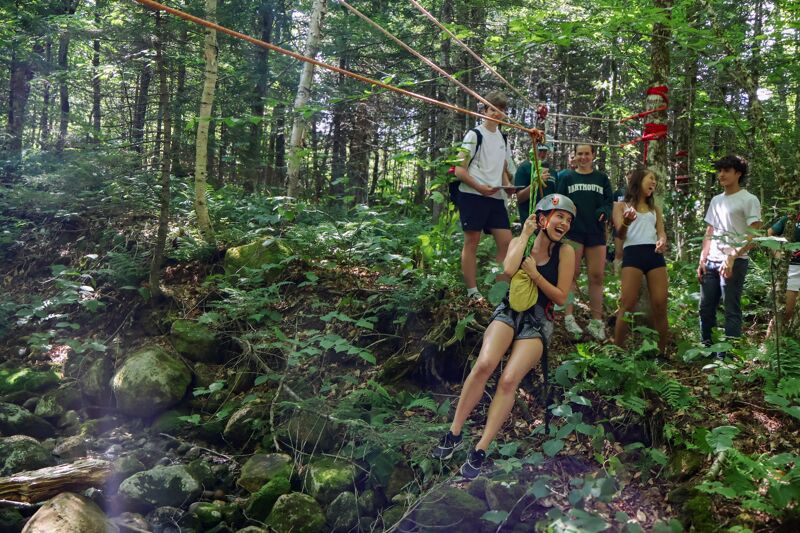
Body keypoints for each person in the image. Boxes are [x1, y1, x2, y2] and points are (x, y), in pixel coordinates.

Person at [431, 194, 576, 479]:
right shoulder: (521, 241)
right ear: (543, 218)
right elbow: (508, 270)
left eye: (569, 220)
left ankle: (480, 450)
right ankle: (454, 433)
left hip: (539, 321)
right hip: (510, 309)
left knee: (509, 380)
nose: (565, 223)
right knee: (484, 364)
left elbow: (560, 297)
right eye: (560, 216)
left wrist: (535, 275)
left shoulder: (566, 252)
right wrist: (525, 234)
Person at [453, 91, 515, 302]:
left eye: (501, 110)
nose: (497, 114)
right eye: (493, 109)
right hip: (473, 195)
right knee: (472, 241)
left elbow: (502, 169)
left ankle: (499, 292)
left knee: (506, 242)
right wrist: (480, 187)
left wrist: (508, 186)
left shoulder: (503, 139)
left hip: (495, 196)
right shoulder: (474, 135)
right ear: (484, 111)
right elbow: (459, 170)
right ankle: (473, 291)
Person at [698, 155, 762, 351]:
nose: (721, 175)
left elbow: (754, 233)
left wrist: (732, 256)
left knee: (731, 310)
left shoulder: (749, 199)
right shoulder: (716, 200)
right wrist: (702, 258)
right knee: (705, 308)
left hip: (735, 261)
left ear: (738, 173)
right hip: (712, 261)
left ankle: (728, 356)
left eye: (726, 171)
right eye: (720, 171)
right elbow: (710, 230)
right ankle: (706, 349)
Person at [556, 144, 613, 340]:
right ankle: (568, 317)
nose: (583, 157)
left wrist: (604, 211)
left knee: (596, 276)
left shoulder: (601, 178)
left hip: (595, 232)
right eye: (579, 153)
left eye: (587, 153)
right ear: (575, 156)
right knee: (571, 274)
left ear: (593, 155)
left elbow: (609, 202)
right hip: (573, 232)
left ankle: (596, 321)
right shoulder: (567, 178)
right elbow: (559, 201)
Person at [612, 168, 668, 353]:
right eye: (650, 179)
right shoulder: (620, 206)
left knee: (660, 304)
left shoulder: (655, 209)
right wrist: (627, 221)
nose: (654, 183)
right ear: (639, 180)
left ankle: (661, 352)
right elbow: (620, 234)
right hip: (633, 254)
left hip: (654, 255)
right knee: (627, 304)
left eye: (655, 180)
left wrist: (662, 240)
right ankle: (618, 351)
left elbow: (661, 232)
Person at [767, 212, 800, 325]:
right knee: (785, 313)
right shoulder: (791, 219)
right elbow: (769, 233)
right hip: (792, 268)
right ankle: (773, 336)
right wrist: (777, 253)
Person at [514, 141, 558, 223]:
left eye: (545, 151)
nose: (542, 154)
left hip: (548, 219)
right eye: (539, 150)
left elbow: (555, 195)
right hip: (530, 219)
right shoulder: (524, 168)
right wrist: (536, 183)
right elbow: (520, 198)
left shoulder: (553, 171)